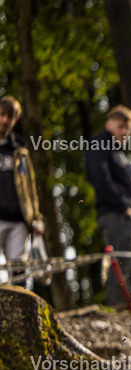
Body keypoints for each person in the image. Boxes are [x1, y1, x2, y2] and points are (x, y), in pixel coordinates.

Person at [85, 105, 131, 307]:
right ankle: (117, 307)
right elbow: (100, 178)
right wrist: (124, 206)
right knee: (119, 263)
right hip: (115, 214)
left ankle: (125, 306)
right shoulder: (100, 143)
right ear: (109, 124)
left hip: (130, 215)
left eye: (128, 128)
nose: (124, 132)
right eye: (121, 126)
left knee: (129, 265)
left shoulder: (120, 154)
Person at [0, 96, 44, 282]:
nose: (4, 120)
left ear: (15, 120)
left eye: (9, 117)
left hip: (19, 220)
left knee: (19, 273)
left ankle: (17, 310)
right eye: (1, 115)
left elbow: (30, 188)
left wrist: (36, 218)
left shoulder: (21, 152)